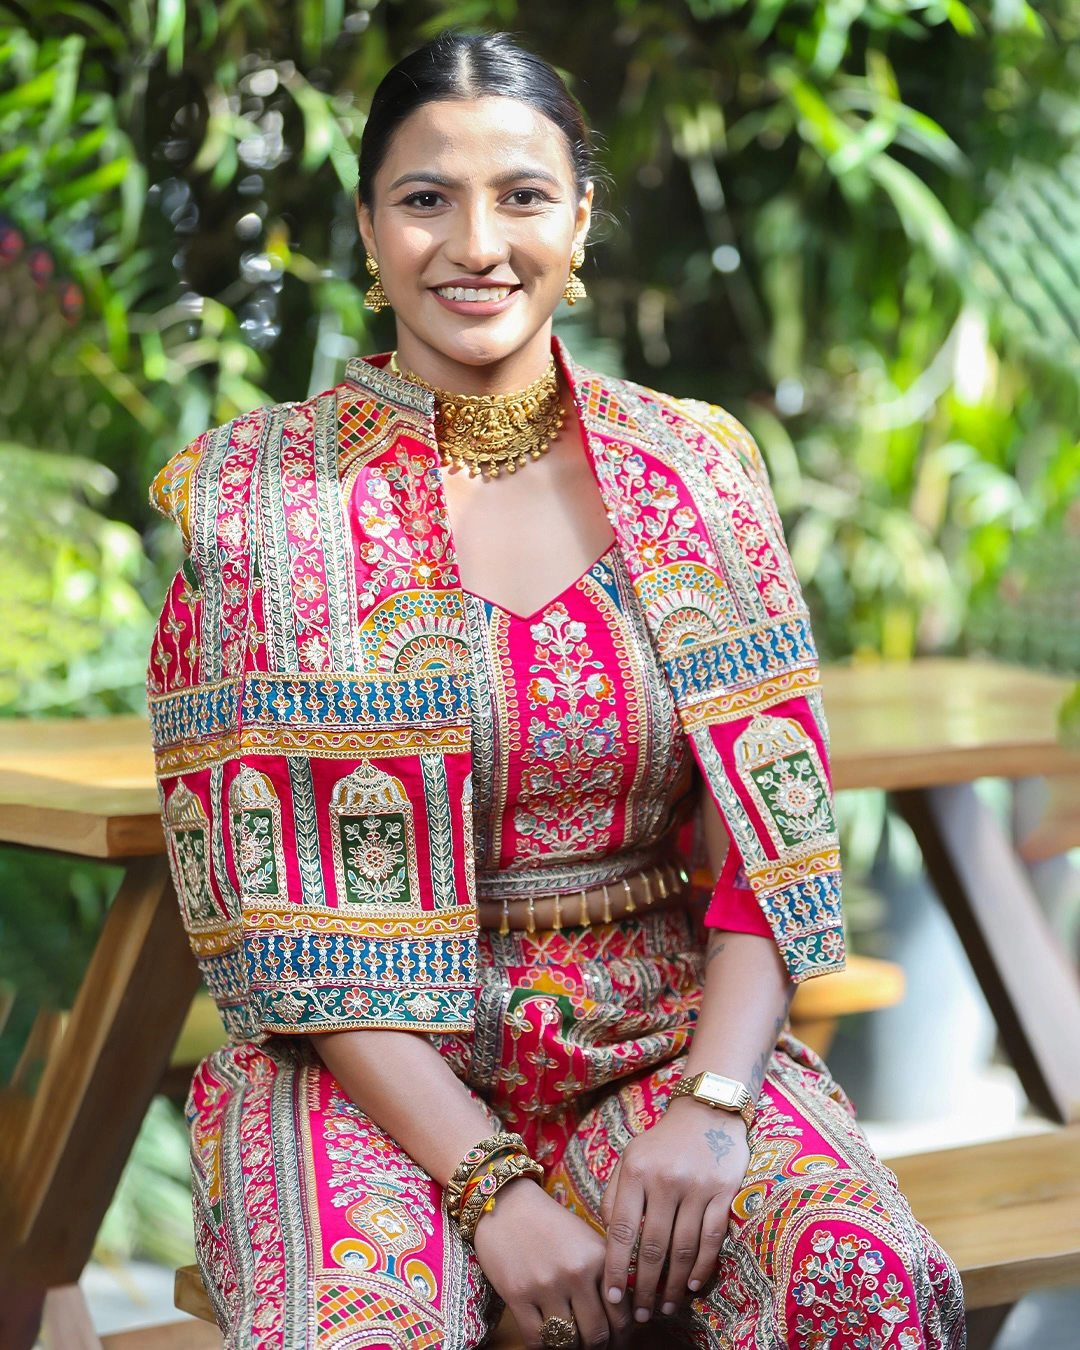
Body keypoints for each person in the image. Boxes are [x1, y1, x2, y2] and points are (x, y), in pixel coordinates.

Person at [147, 30, 964, 1350]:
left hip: (656, 1041)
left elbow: (767, 847)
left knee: (854, 1280)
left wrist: (714, 1104)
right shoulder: (258, 500)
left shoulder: (695, 469)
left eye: (522, 196)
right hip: (363, 1076)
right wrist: (490, 1186)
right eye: (427, 198)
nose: (477, 244)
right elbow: (273, 921)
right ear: (370, 225)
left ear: (579, 217)